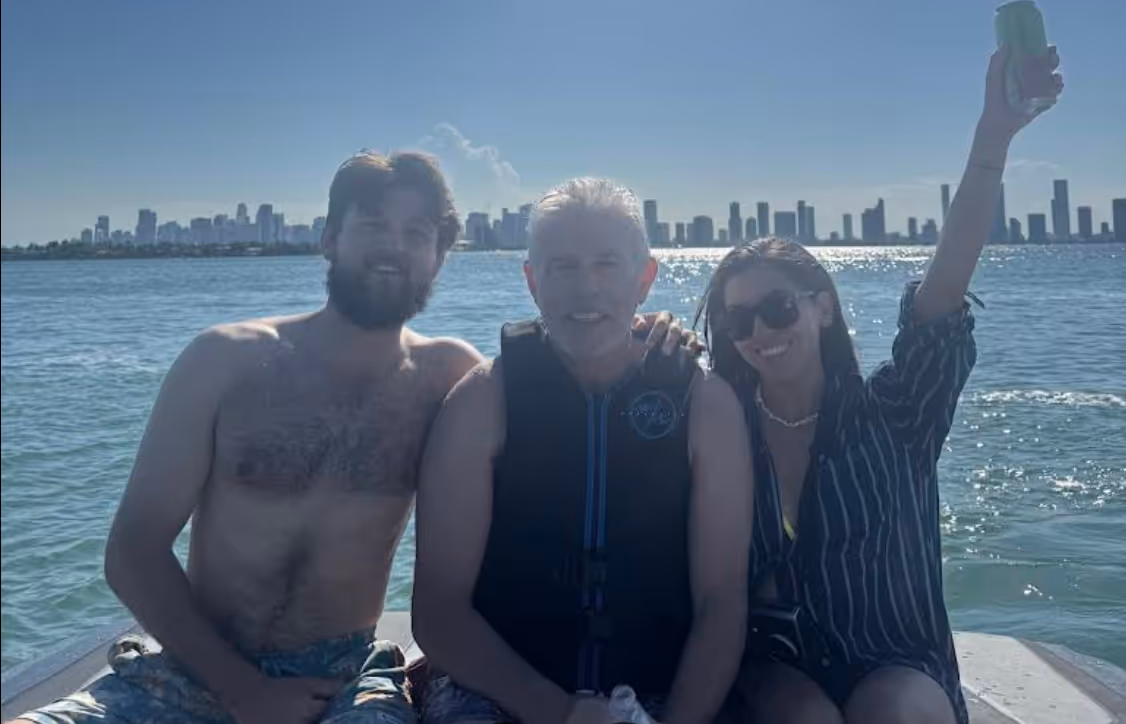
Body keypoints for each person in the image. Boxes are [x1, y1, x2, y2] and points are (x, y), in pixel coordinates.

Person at [11, 152, 692, 724]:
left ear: (439, 257)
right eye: (373, 225)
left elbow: (575, 333)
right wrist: (241, 688)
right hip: (194, 664)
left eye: (417, 231)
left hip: (344, 679)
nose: (394, 246)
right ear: (330, 238)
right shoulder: (224, 361)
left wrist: (656, 333)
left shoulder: (450, 377)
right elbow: (133, 550)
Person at [697, 46, 1063, 724]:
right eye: (738, 319)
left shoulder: (897, 412)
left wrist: (993, 136)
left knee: (892, 712)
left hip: (896, 661)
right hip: (775, 666)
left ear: (822, 308)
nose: (760, 331)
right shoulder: (722, 431)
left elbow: (942, 296)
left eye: (777, 308)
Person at [413, 178, 753, 724]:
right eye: (562, 267)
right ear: (532, 281)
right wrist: (561, 712)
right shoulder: (482, 401)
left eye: (607, 265)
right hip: (501, 693)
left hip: (663, 693)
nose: (585, 288)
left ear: (645, 278)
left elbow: (721, 602)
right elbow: (439, 610)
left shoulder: (705, 405)